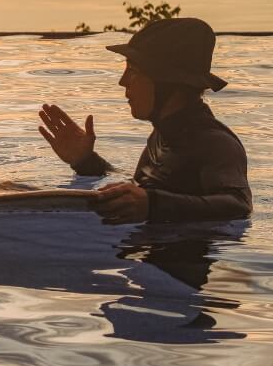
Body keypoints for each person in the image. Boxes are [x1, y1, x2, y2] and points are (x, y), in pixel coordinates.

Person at [38, 18, 251, 224]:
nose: (122, 82)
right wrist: (86, 161)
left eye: (133, 71)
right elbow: (138, 189)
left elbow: (238, 206)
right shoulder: (160, 137)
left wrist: (153, 206)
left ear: (168, 82)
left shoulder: (217, 144)